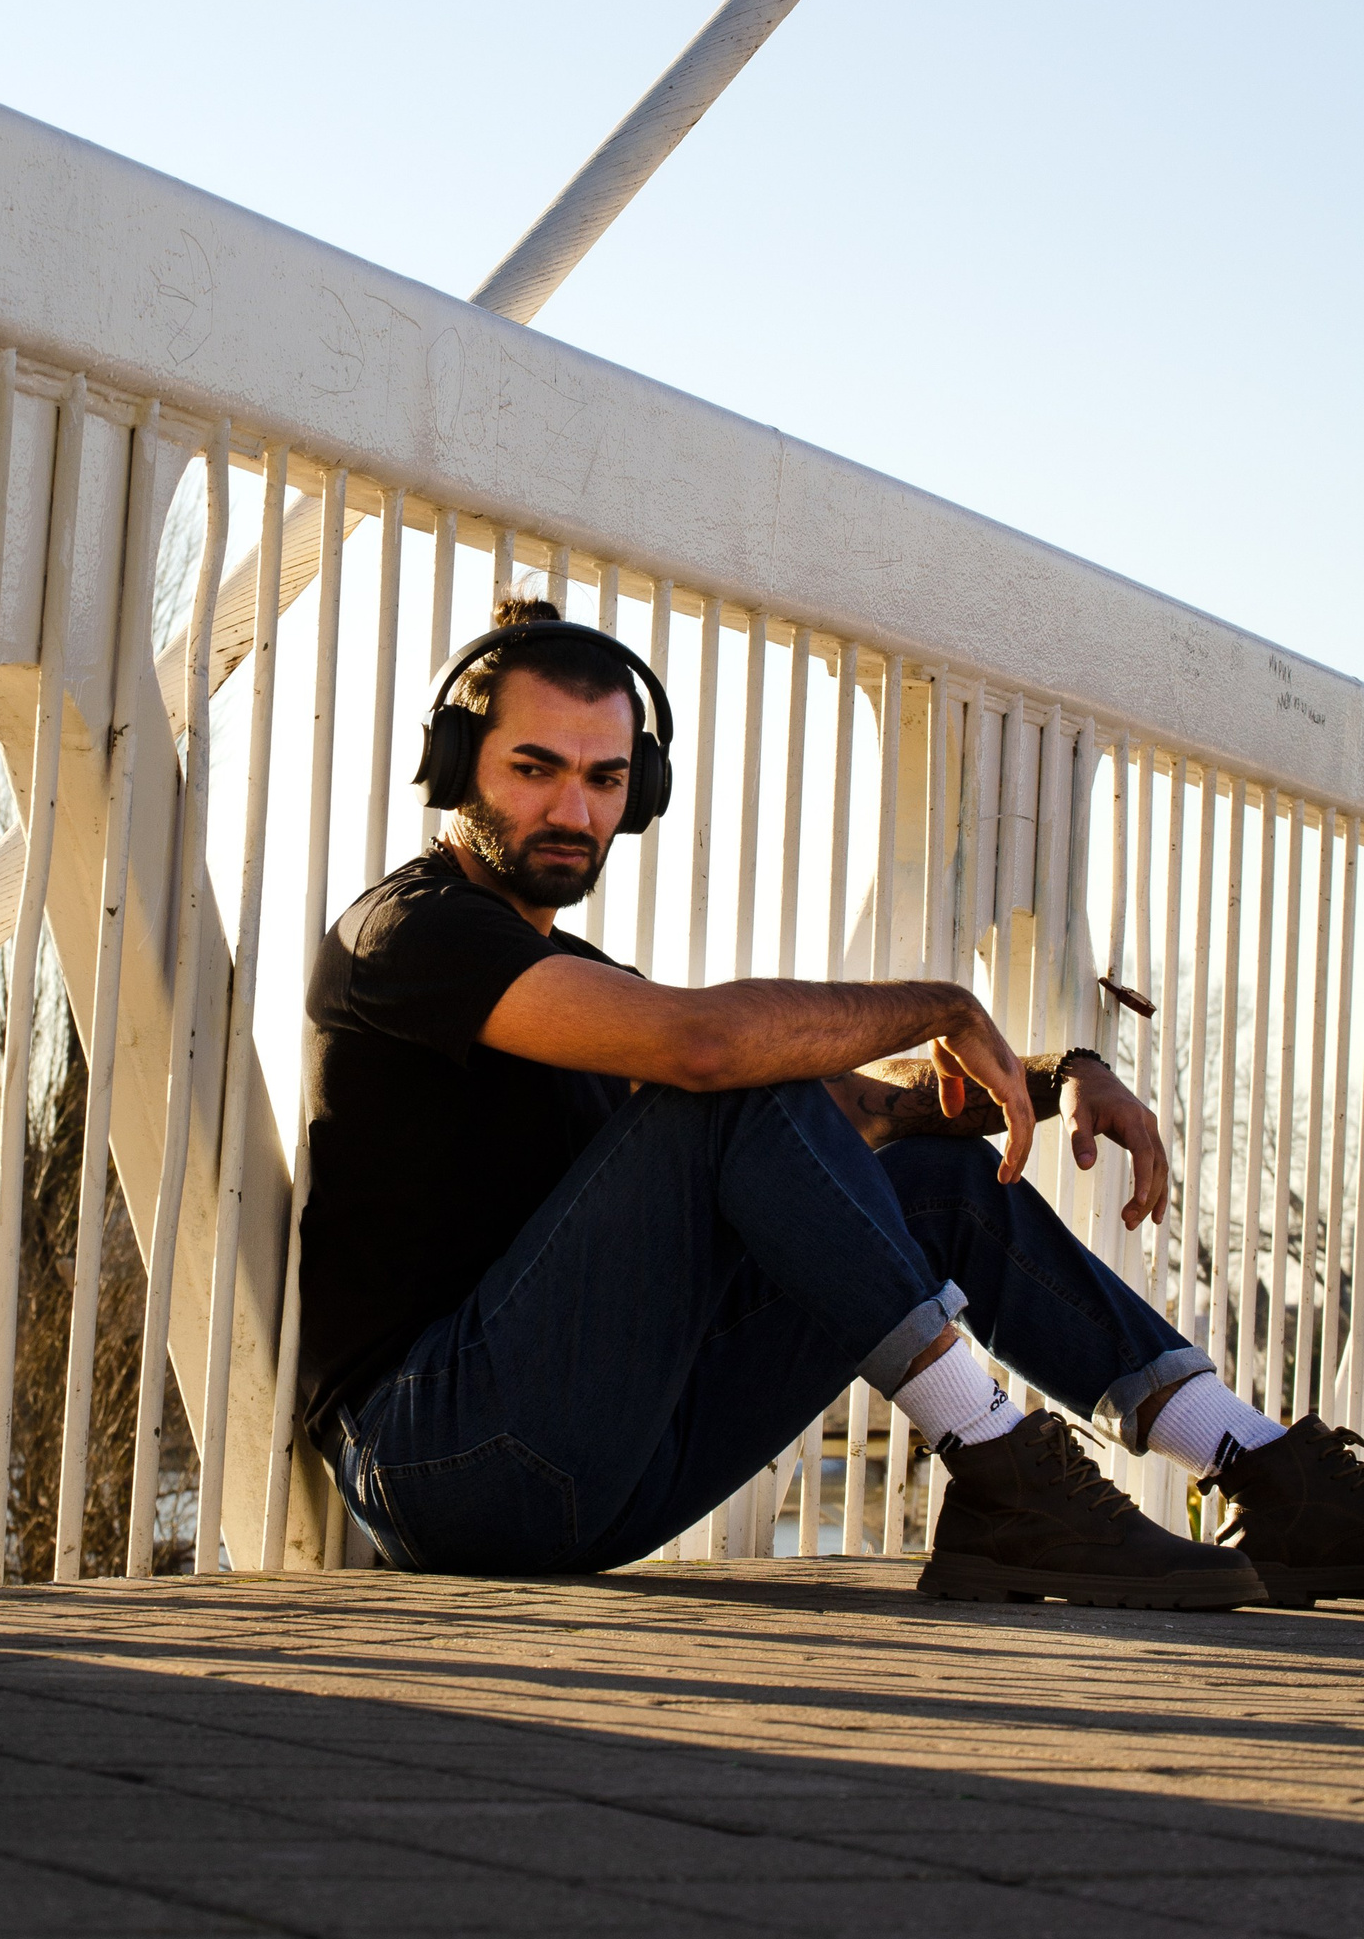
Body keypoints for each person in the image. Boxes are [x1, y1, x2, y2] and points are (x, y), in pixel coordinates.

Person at [297, 596, 1364, 1608]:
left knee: (932, 1183)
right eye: (534, 768)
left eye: (605, 777)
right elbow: (708, 1051)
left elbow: (856, 1113)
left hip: (608, 1464)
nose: (574, 810)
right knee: (726, 1077)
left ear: (641, 790)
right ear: (454, 767)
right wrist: (940, 1004)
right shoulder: (406, 933)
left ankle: (1270, 1473)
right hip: (440, 1457)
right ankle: (1000, 1463)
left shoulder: (580, 983)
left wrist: (1056, 1074)